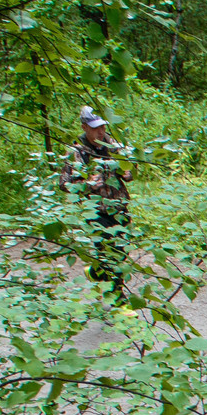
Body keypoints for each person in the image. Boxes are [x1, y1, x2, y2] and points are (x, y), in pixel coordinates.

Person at [66, 105, 134, 300]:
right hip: (95, 211)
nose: (101, 131)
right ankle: (118, 301)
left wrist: (127, 171)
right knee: (112, 254)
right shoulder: (76, 151)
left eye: (103, 126)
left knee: (120, 253)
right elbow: (65, 184)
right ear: (84, 127)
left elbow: (130, 172)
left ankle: (95, 272)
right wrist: (91, 181)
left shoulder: (114, 145)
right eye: (95, 127)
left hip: (120, 208)